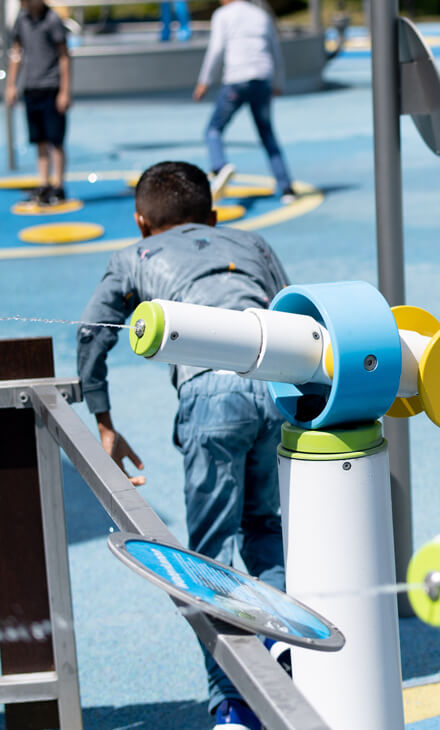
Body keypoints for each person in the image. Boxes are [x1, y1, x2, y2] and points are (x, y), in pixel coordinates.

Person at [76, 161, 292, 730]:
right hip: (274, 390)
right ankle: (284, 648)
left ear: (141, 222)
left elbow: (91, 332)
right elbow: (295, 314)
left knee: (210, 556)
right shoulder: (252, 241)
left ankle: (231, 703)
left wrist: (103, 417)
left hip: (209, 395)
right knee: (264, 527)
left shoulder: (134, 256)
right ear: (214, 215)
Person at [194, 0, 295, 203]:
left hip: (236, 80)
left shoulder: (223, 15)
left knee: (213, 129)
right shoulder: (261, 14)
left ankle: (220, 166)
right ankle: (286, 188)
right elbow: (275, 51)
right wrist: (278, 82)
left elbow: (216, 49)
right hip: (262, 79)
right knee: (267, 134)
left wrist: (204, 81)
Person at [5, 0, 71, 206]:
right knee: (39, 139)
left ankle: (58, 185)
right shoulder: (22, 19)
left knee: (55, 139)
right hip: (31, 87)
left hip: (51, 86)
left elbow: (64, 56)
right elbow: (16, 52)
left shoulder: (52, 20)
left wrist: (65, 91)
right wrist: (11, 84)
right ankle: (43, 183)